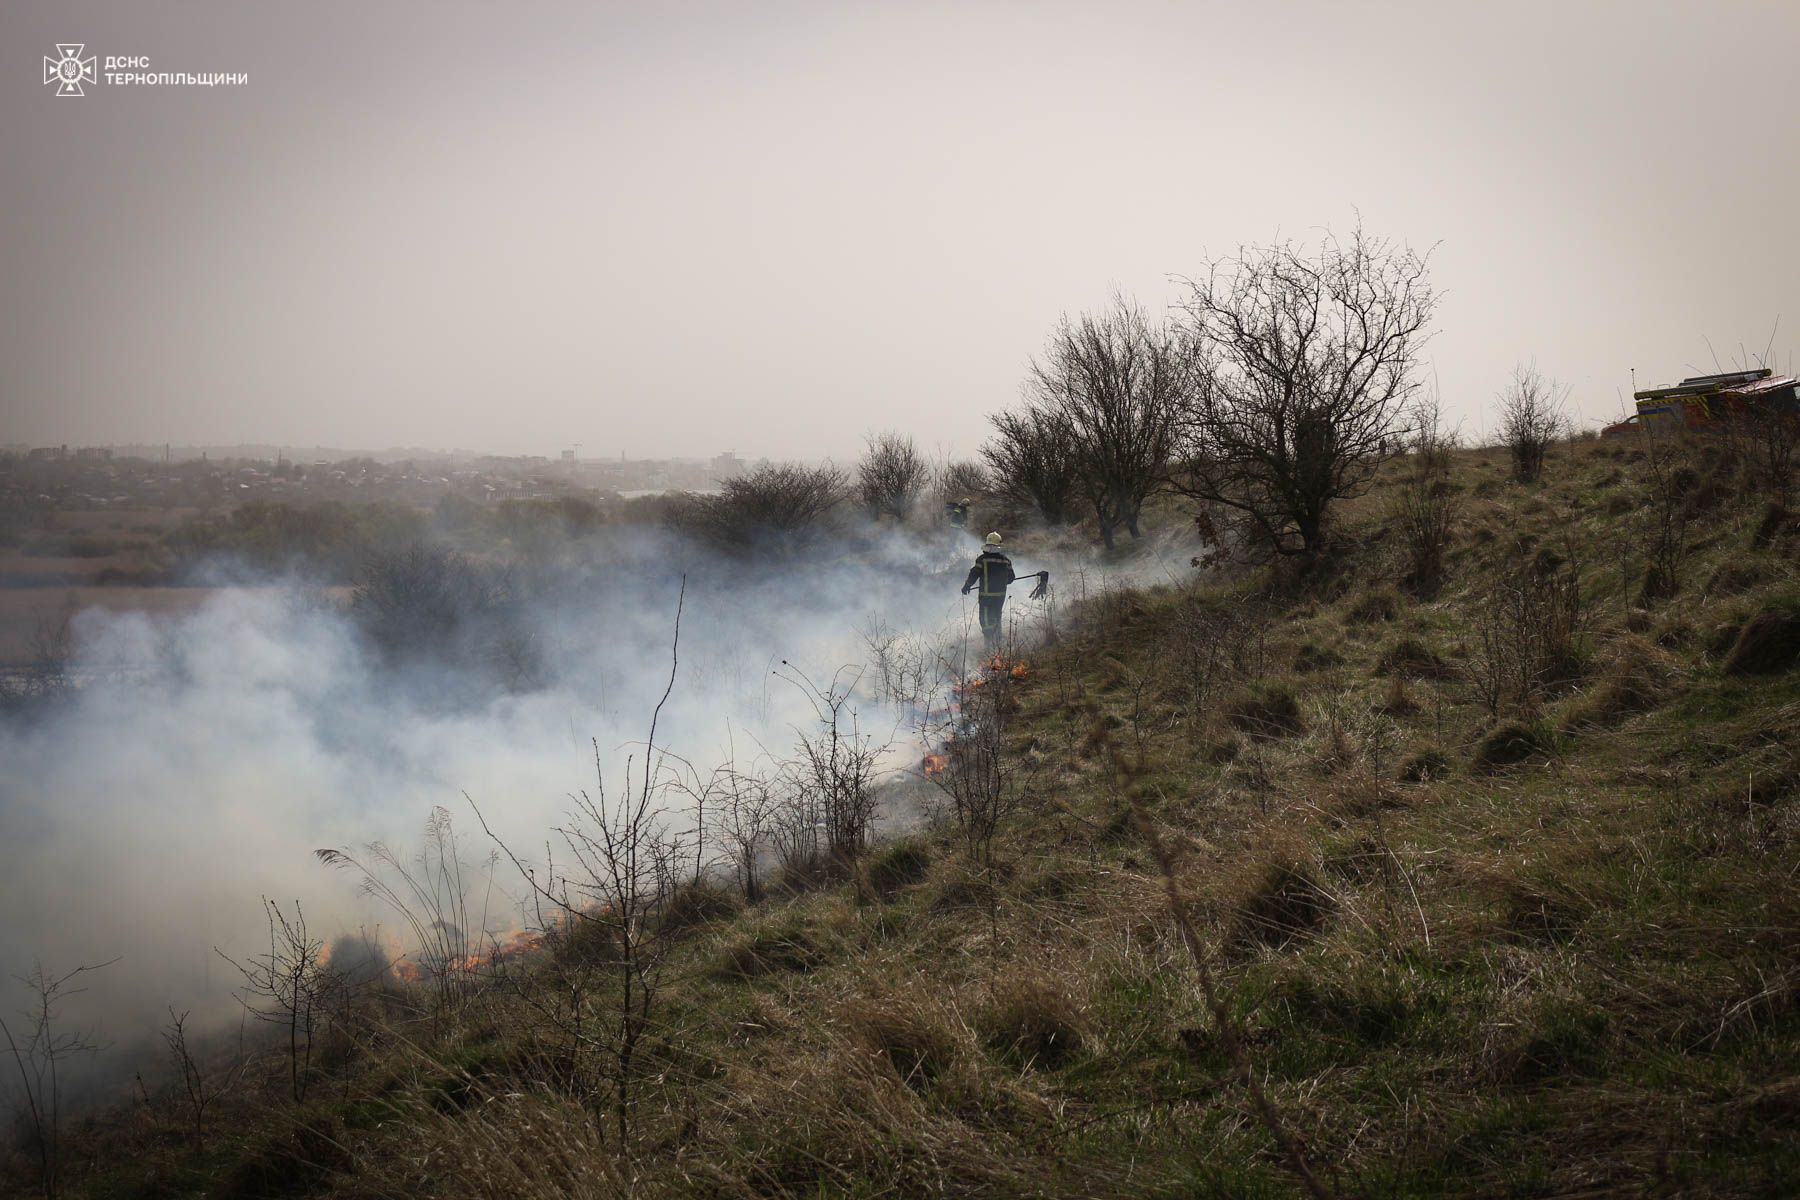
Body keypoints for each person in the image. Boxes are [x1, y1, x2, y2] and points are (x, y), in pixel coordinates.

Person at [961, 532, 1016, 650]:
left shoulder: (982, 560)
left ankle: (988, 648)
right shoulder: (1006, 561)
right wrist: (1001, 582)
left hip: (986, 596)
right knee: (996, 616)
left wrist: (967, 586)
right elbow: (1011, 578)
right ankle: (998, 644)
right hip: (1000, 596)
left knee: (985, 619)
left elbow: (974, 574)